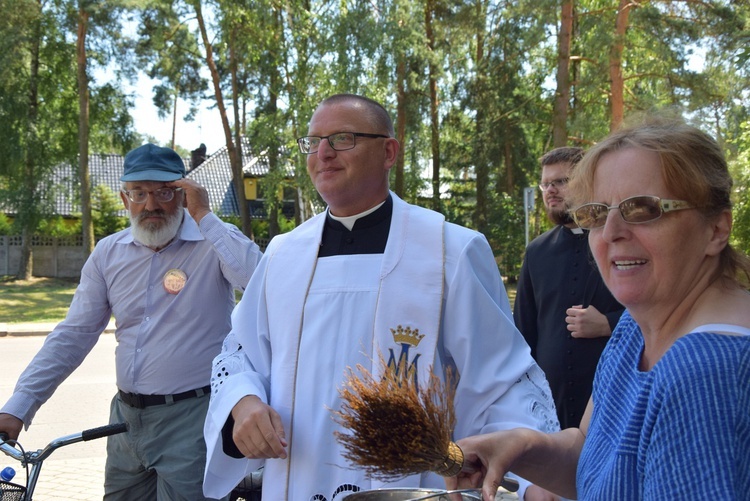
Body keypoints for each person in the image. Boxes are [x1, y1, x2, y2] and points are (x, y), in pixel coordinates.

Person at [202, 94, 559, 501]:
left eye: (342, 138)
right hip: (295, 477)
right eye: (313, 141)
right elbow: (238, 351)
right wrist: (243, 402)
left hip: (413, 484)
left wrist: (536, 480)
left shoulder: (450, 250)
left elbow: (502, 379)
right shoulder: (283, 254)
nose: (323, 153)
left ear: (389, 151)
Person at [446, 117, 750, 500]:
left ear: (716, 230)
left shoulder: (707, 374)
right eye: (595, 213)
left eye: (642, 209)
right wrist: (521, 446)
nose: (611, 232)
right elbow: (593, 456)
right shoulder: (636, 329)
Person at [0, 143, 262, 500]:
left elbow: (260, 283)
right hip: (124, 421)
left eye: (164, 192)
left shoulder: (211, 244)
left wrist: (206, 218)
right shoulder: (108, 253)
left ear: (184, 195)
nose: (151, 205)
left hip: (193, 419)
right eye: (139, 193)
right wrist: (19, 405)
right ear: (125, 200)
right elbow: (73, 335)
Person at [514, 147, 623, 429]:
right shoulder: (536, 251)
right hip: (550, 405)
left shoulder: (616, 241)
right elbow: (523, 333)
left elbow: (658, 310)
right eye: (546, 184)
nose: (550, 190)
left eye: (561, 182)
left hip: (614, 401)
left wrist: (609, 323)